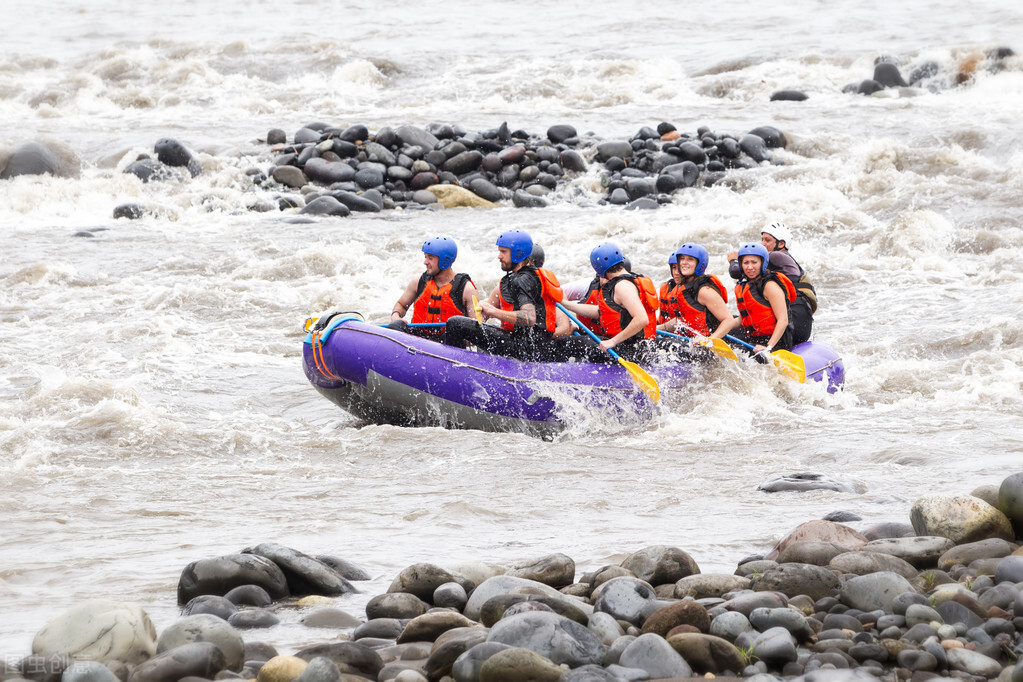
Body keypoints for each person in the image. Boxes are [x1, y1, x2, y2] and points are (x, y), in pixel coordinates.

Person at [443, 230, 563, 361]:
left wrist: (494, 312)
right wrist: (486, 313)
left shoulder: (524, 280)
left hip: (526, 350)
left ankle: (453, 367)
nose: (499, 256)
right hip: (529, 345)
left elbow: (529, 318)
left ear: (518, 254)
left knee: (455, 323)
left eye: (503, 252)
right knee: (478, 330)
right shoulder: (521, 277)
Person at [560, 242, 659, 362]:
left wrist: (613, 341)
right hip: (636, 347)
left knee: (564, 343)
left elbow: (642, 319)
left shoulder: (622, 286)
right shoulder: (627, 281)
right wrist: (567, 305)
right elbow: (599, 312)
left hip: (628, 350)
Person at [727, 221, 816, 344]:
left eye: (767, 240)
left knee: (734, 333)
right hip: (802, 324)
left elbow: (736, 271)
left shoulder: (775, 256)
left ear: (781, 244)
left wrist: (734, 260)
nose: (762, 244)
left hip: (793, 324)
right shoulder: (784, 261)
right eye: (762, 239)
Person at [389, 236, 476, 337]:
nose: (425, 262)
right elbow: (401, 304)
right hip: (418, 338)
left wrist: (464, 338)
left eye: (430, 258)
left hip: (449, 343)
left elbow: (476, 329)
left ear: (445, 260)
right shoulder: (419, 281)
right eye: (425, 257)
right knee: (396, 325)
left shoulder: (466, 289)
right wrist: (396, 315)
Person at [731, 242, 796, 357]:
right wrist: (720, 329)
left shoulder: (770, 286)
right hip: (755, 339)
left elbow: (783, 320)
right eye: (746, 263)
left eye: (754, 262)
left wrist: (768, 347)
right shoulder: (746, 286)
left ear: (762, 263)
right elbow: (743, 319)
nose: (749, 267)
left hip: (775, 342)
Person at [666, 243, 737, 340]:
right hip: (692, 342)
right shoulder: (683, 287)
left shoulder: (705, 291)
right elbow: (682, 320)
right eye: (682, 259)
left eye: (690, 259)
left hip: (708, 345)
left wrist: (709, 341)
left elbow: (729, 320)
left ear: (700, 264)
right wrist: (658, 328)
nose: (684, 263)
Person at [656, 251, 681, 330]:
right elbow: (661, 316)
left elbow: (682, 320)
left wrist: (658, 328)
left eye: (679, 268)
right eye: (674, 268)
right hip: (665, 333)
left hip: (682, 336)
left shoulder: (691, 291)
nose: (676, 273)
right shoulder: (664, 288)